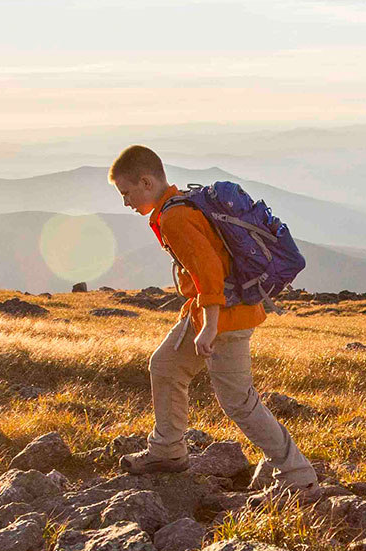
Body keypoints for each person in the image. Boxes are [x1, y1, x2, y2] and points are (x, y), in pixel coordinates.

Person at [105, 145, 317, 490]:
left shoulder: (174, 217)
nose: (125, 202)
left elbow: (209, 272)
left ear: (146, 182)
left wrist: (211, 328)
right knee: (166, 365)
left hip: (227, 318)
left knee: (239, 402)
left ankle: (298, 476)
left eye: (126, 193)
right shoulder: (180, 203)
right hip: (210, 312)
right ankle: (168, 451)